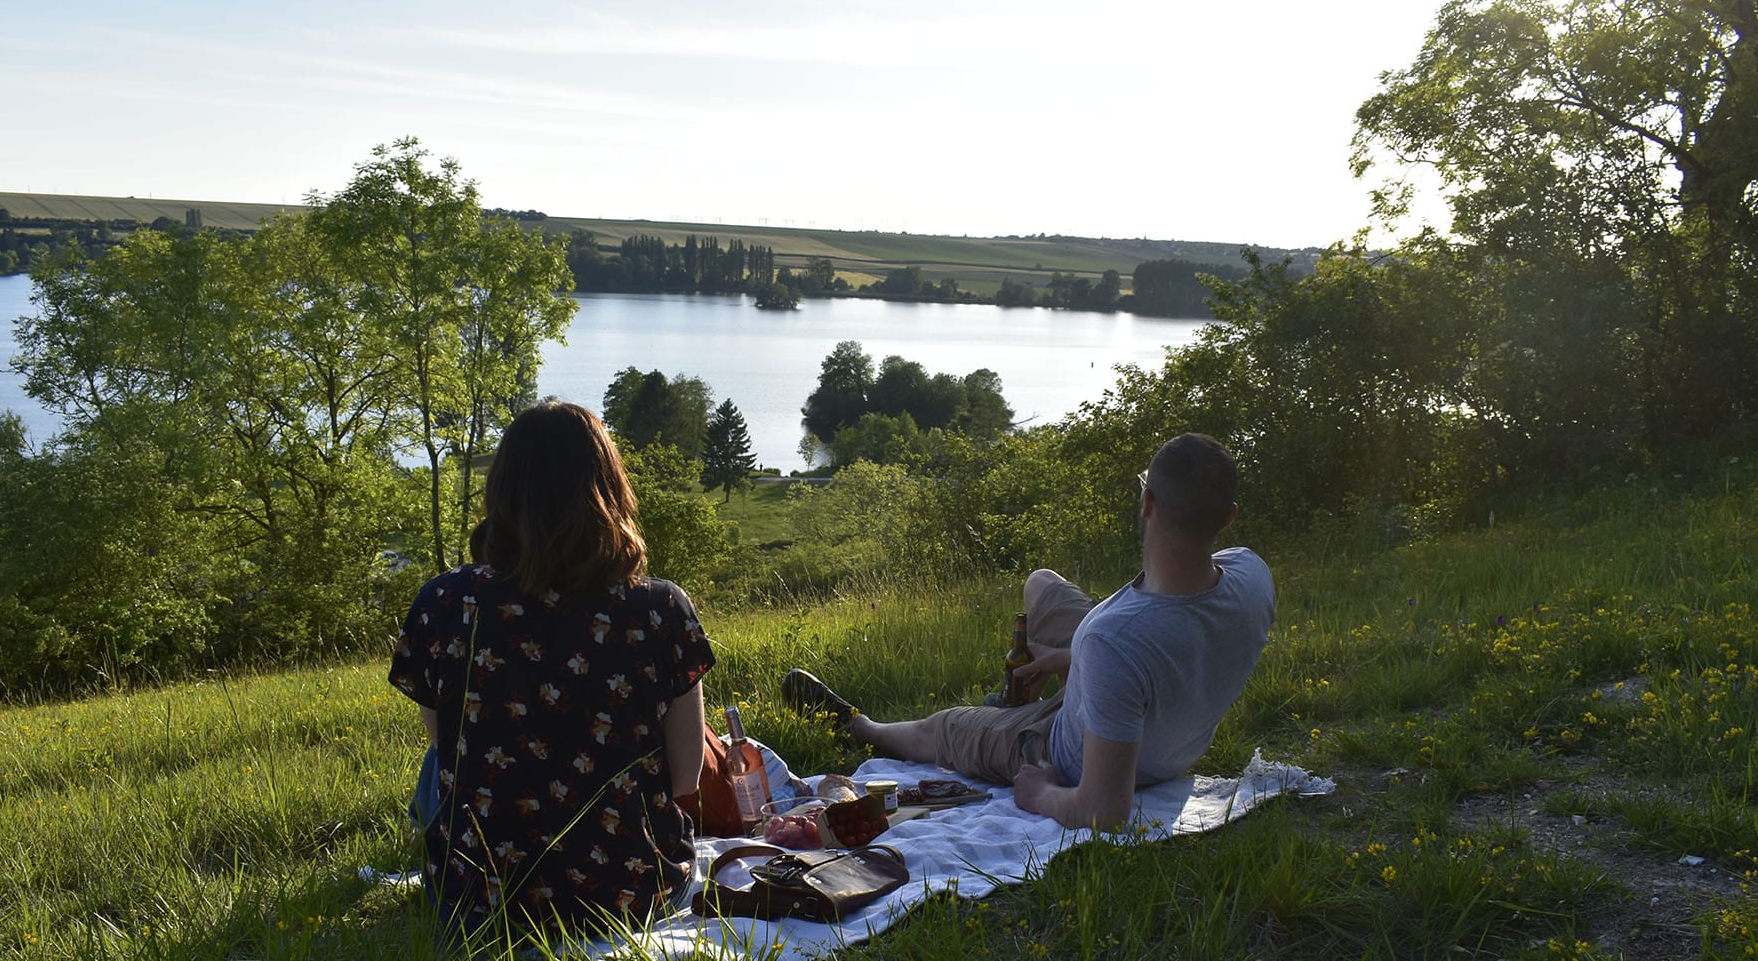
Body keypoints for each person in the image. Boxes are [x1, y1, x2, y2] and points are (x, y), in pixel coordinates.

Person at [782, 433, 1272, 831]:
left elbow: (1104, 810)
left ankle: (859, 726)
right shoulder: (1252, 575)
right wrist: (1066, 657)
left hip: (1077, 750)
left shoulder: (1114, 639)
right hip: (1156, 709)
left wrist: (1041, 794)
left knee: (944, 727)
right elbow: (1171, 641)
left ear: (1147, 502)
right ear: (1229, 518)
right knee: (1043, 585)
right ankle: (1058, 675)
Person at [389, 400, 714, 933]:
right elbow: (685, 776)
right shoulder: (660, 609)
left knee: (436, 764)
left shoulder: (444, 601)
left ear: (503, 493)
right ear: (609, 490)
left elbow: (446, 749)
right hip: (630, 893)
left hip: (478, 903)